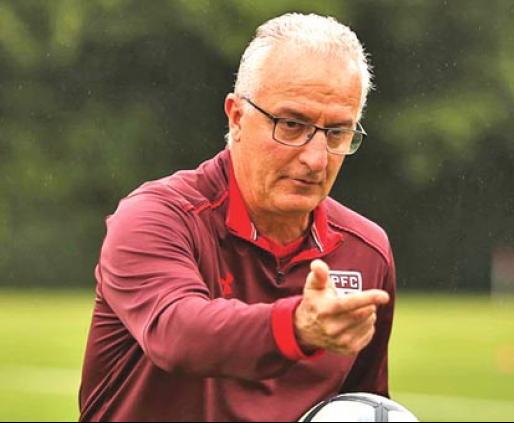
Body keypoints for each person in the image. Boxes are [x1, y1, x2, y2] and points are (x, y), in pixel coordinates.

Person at [79, 13, 396, 422]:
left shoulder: (366, 252)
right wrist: (297, 325)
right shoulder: (155, 219)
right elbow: (178, 333)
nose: (316, 159)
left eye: (337, 132)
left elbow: (358, 407)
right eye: (292, 124)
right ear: (237, 116)